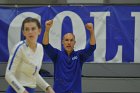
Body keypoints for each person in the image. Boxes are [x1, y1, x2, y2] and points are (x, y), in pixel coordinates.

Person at [42, 20, 96, 93]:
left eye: (71, 40)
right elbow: (46, 45)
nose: (69, 43)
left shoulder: (79, 56)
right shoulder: (57, 55)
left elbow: (92, 47)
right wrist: (47, 29)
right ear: (62, 42)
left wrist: (91, 31)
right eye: (66, 40)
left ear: (74, 43)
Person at [5, 17, 55, 93]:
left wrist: (47, 88)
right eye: (27, 29)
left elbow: (34, 74)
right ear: (23, 32)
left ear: (39, 31)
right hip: (15, 90)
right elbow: (8, 75)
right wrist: (22, 91)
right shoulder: (19, 48)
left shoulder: (40, 48)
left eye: (33, 28)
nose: (30, 32)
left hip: (31, 90)